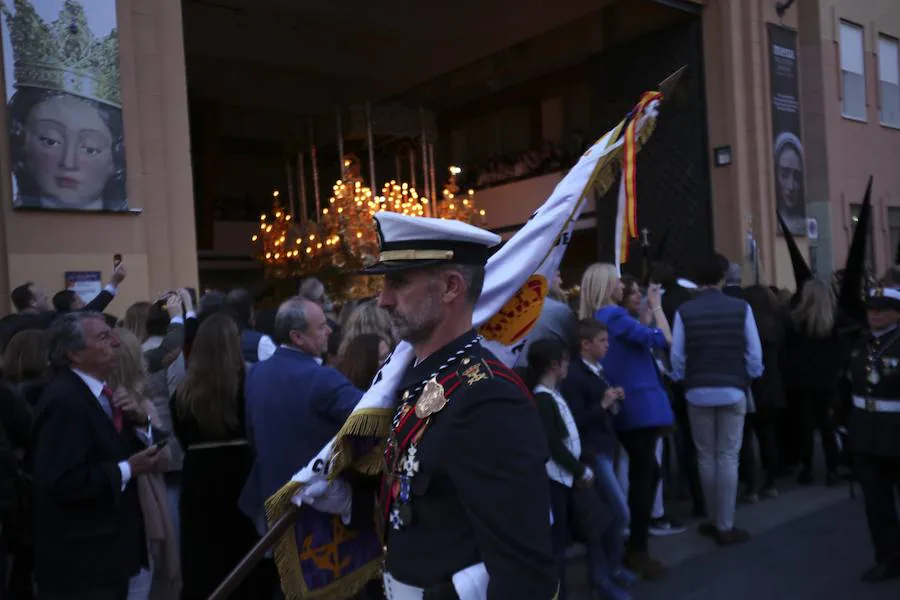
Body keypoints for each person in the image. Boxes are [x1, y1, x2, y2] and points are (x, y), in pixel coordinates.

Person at [365, 211, 557, 598]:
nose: (382, 299)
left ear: (451, 286)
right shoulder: (414, 377)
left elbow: (525, 571)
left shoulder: (488, 397)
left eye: (398, 282)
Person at [31, 312, 163, 600]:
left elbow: (126, 446)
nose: (116, 342)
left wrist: (141, 421)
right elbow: (61, 480)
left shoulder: (99, 393)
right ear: (73, 354)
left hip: (106, 554)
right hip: (82, 563)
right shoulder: (65, 400)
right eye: (103, 337)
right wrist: (127, 469)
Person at [579, 263, 673, 580]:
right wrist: (658, 309)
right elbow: (662, 340)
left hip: (625, 401)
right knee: (644, 476)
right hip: (639, 403)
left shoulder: (599, 319)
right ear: (607, 286)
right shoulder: (614, 316)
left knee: (643, 473)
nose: (622, 286)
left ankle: (631, 544)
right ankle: (637, 549)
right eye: (617, 282)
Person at [670, 253, 763, 546]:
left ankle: (713, 518)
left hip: (697, 390)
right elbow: (754, 355)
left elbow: (677, 357)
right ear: (723, 276)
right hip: (733, 387)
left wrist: (684, 377)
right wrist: (747, 376)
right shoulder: (741, 308)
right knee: (728, 456)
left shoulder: (685, 311)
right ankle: (726, 522)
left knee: (705, 456)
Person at [847, 287, 900, 583]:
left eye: (882, 308)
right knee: (876, 502)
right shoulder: (860, 342)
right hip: (866, 430)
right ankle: (888, 557)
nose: (874, 313)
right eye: (871, 308)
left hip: (896, 428)